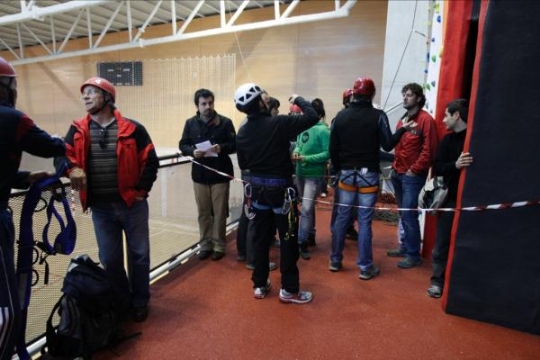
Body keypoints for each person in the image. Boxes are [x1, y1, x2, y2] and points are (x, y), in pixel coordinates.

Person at [59, 76, 158, 322]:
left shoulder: (133, 128)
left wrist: (140, 192)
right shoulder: (78, 129)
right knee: (110, 260)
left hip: (132, 206)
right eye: (84, 93)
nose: (86, 97)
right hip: (101, 209)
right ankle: (122, 300)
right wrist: (73, 170)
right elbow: (63, 155)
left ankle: (140, 301)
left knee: (140, 256)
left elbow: (150, 160)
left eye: (92, 92)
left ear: (107, 97)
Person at [0, 57, 66, 360]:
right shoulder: (13, 118)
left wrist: (24, 178)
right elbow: (51, 145)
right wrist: (74, 143)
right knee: (7, 310)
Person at [235, 83, 318, 304]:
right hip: (281, 192)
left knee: (261, 239)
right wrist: (298, 99)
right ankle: (289, 289)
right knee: (288, 239)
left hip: (258, 192)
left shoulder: (242, 132)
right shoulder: (278, 124)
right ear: (260, 102)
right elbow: (312, 116)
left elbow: (244, 163)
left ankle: (260, 284)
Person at [329, 76, 414, 278]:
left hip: (346, 174)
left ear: (354, 93)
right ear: (372, 94)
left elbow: (333, 149)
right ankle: (365, 267)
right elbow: (387, 145)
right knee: (365, 221)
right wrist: (403, 129)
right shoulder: (378, 116)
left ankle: (335, 259)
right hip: (369, 175)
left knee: (342, 217)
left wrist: (337, 170)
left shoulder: (340, 117)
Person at [180, 88, 236, 261]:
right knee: (203, 213)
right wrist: (192, 151)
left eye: (210, 103)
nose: (208, 106)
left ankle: (219, 245)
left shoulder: (225, 123)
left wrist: (222, 148)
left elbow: (235, 144)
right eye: (203, 104)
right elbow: (183, 145)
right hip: (200, 176)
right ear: (197, 105)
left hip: (220, 176)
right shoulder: (190, 123)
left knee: (219, 213)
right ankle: (205, 245)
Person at [387, 82, 438, 269]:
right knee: (404, 213)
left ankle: (413, 254)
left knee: (409, 214)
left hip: (412, 176)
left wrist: (414, 169)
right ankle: (406, 247)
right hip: (398, 173)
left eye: (409, 95)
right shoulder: (403, 119)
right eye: (404, 94)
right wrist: (395, 167)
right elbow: (398, 145)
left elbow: (429, 150)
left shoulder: (426, 120)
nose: (405, 98)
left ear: (418, 97)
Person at [427, 99, 472, 298]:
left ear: (456, 115)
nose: (443, 120)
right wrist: (455, 165)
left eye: (446, 115)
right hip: (449, 200)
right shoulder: (447, 140)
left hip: (471, 202)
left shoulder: (475, 139)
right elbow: (437, 167)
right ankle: (437, 281)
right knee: (442, 243)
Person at [237, 93, 279, 271]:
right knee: (252, 215)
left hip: (252, 175)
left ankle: (245, 252)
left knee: (249, 213)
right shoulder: (252, 125)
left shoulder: (251, 123)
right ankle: (252, 259)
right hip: (254, 176)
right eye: (268, 102)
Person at [292, 98, 330, 260]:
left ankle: (301, 242)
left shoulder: (324, 131)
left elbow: (328, 154)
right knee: (307, 206)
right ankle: (311, 234)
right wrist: (296, 151)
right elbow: (299, 144)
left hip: (313, 175)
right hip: (300, 172)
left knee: (306, 209)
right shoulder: (303, 128)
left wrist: (306, 158)